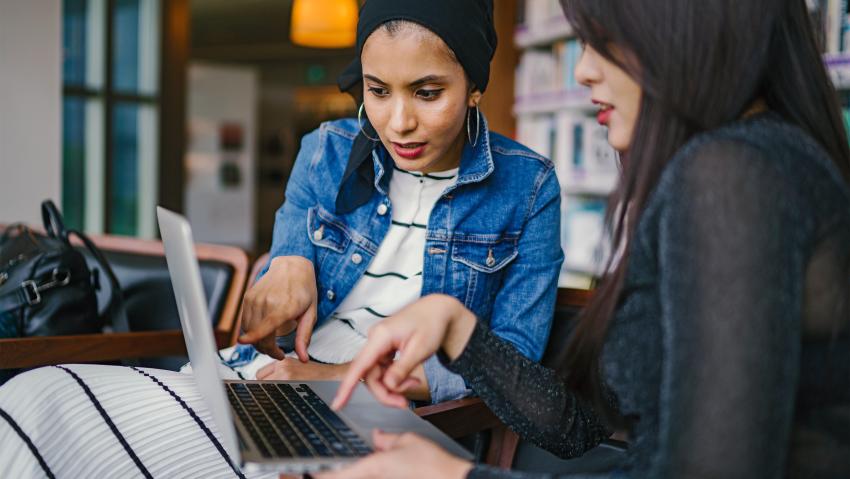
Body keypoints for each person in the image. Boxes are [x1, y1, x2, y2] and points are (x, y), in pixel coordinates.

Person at [0, 0, 564, 476]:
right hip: (257, 380)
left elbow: (509, 369)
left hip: (377, 417)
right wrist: (285, 261)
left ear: (473, 87)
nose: (396, 123)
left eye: (426, 92)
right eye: (377, 90)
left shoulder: (528, 187)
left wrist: (332, 376)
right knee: (32, 398)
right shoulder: (327, 148)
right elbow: (281, 272)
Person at [321, 0, 850, 477]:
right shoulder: (753, 163)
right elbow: (576, 428)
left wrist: (453, 477)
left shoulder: (732, 175)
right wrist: (457, 329)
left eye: (605, 41)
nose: (583, 70)